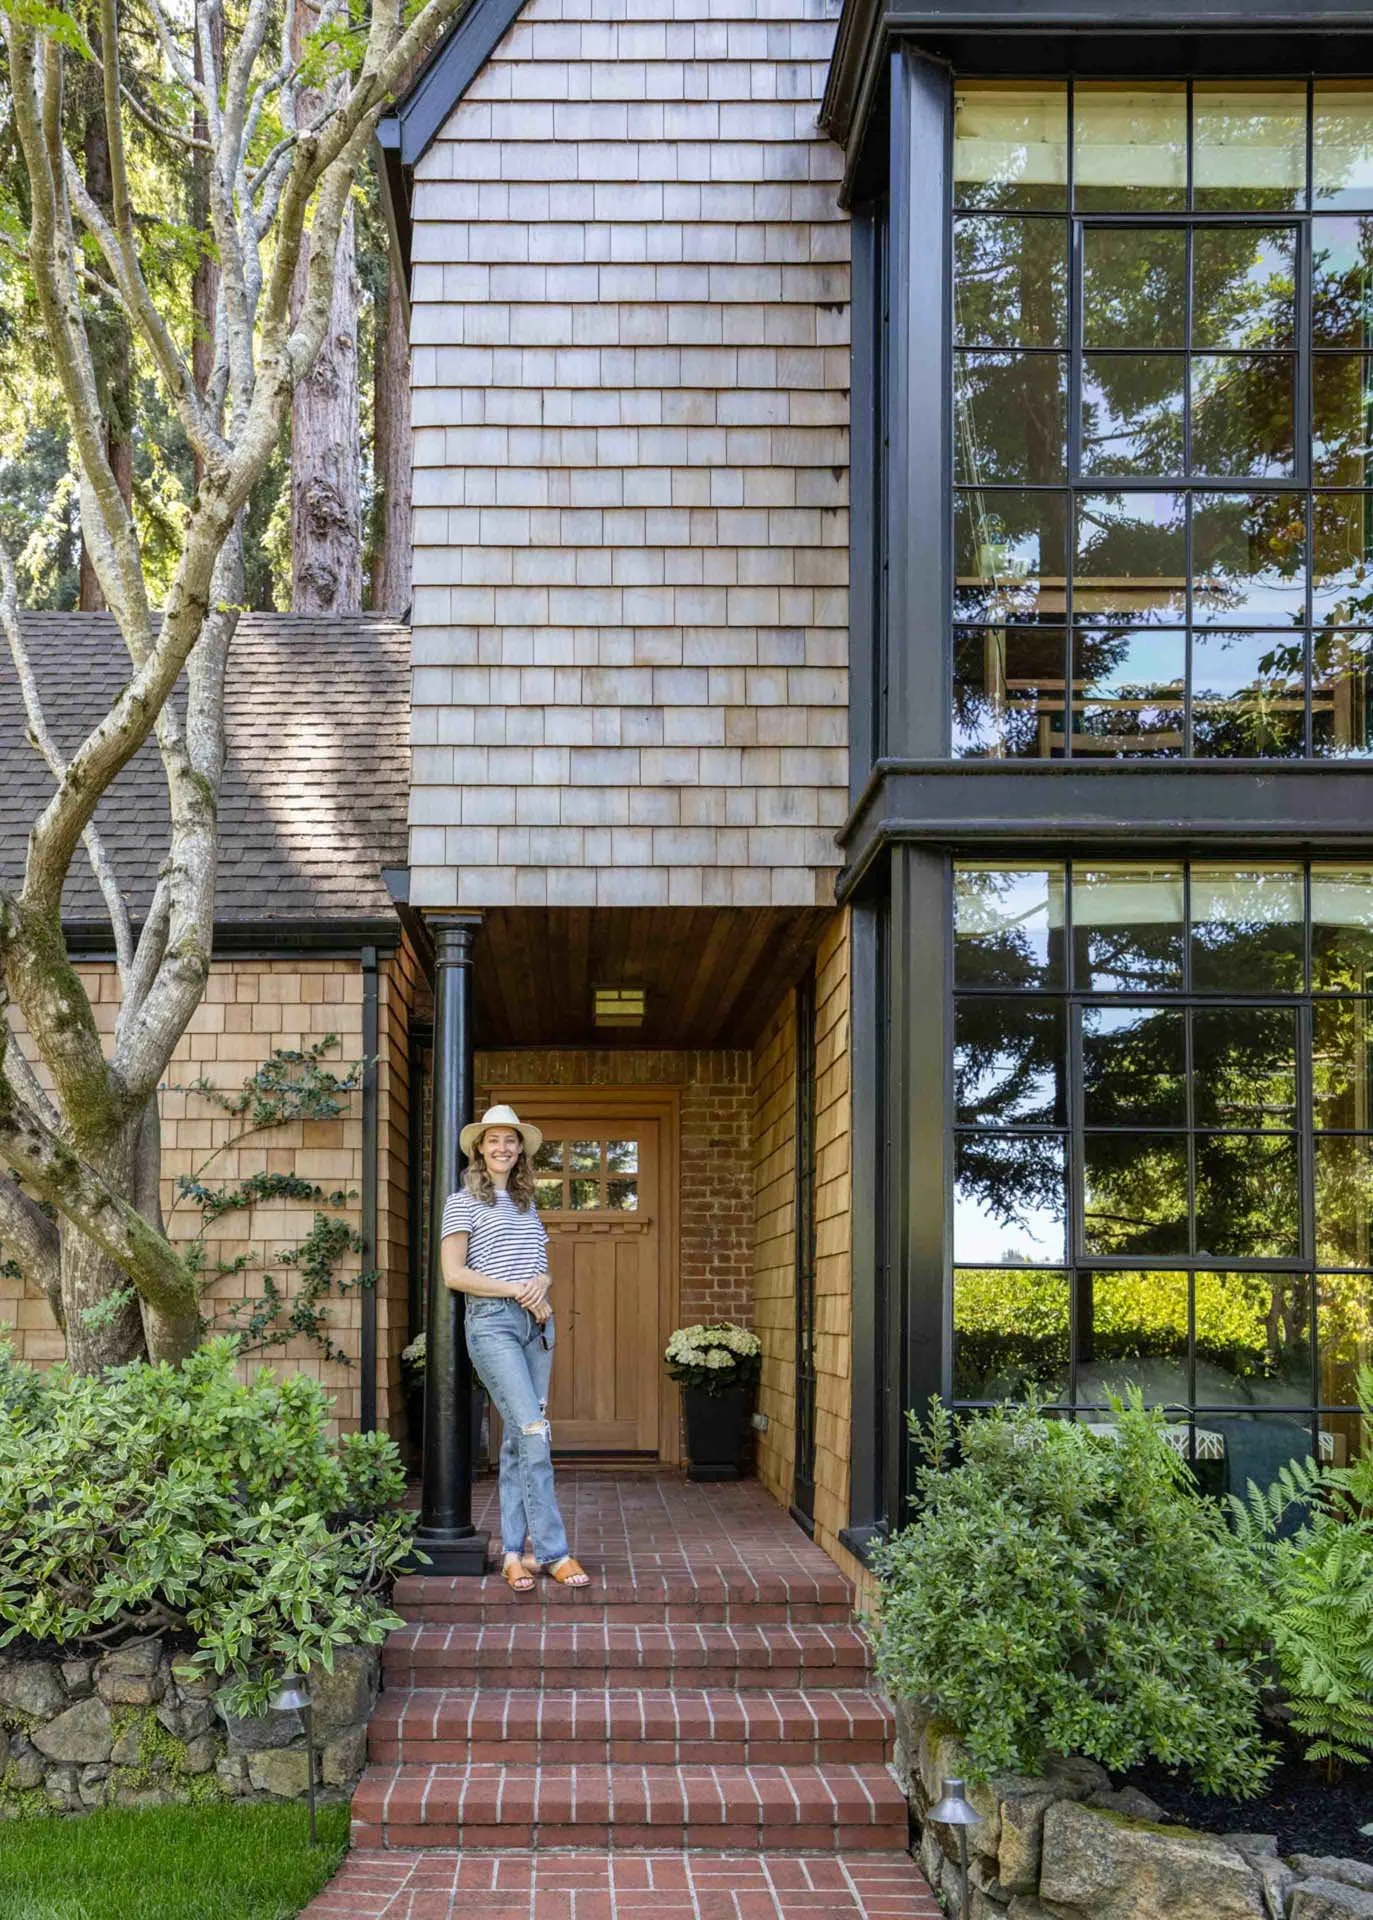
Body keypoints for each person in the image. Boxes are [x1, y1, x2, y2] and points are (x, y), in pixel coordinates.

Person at [440, 1104, 589, 1592]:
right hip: (493, 1326)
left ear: (520, 1149)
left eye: (510, 1140)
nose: (502, 1147)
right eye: (494, 1140)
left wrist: (539, 1286)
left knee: (517, 1442)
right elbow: (454, 1274)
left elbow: (540, 1269)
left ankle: (511, 1555)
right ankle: (553, 1552)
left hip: (536, 1328)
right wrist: (517, 1291)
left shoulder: (526, 1204)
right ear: (480, 1149)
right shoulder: (462, 1202)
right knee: (533, 1433)